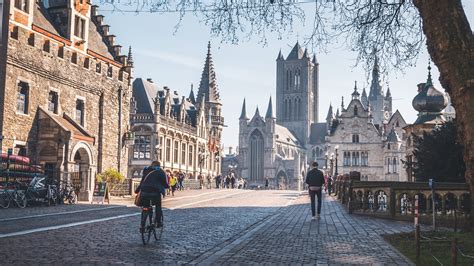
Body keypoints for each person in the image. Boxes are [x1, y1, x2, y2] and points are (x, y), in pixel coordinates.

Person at [135, 161, 169, 228]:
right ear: (159, 166)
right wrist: (167, 186)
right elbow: (165, 183)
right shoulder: (161, 172)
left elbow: (142, 181)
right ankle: (158, 223)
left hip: (144, 191)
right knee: (158, 206)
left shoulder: (146, 170)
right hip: (155, 193)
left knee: (145, 206)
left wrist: (137, 190)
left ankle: (142, 225)